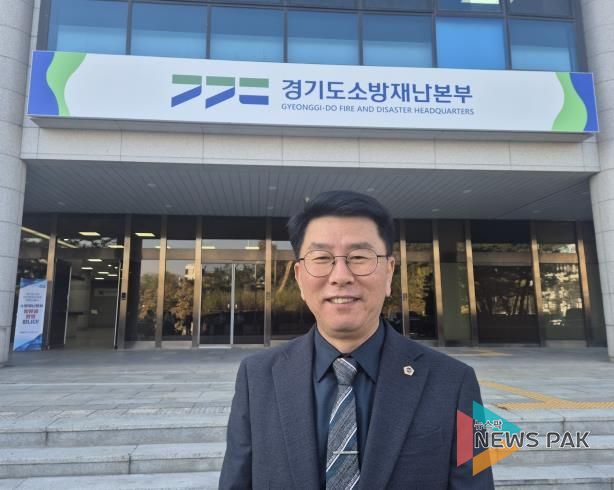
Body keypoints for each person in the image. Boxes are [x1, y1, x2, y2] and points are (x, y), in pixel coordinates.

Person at [219, 191, 494, 489]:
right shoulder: (257, 378)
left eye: (359, 257)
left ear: (389, 272)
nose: (341, 276)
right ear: (299, 277)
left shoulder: (456, 382)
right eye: (322, 258)